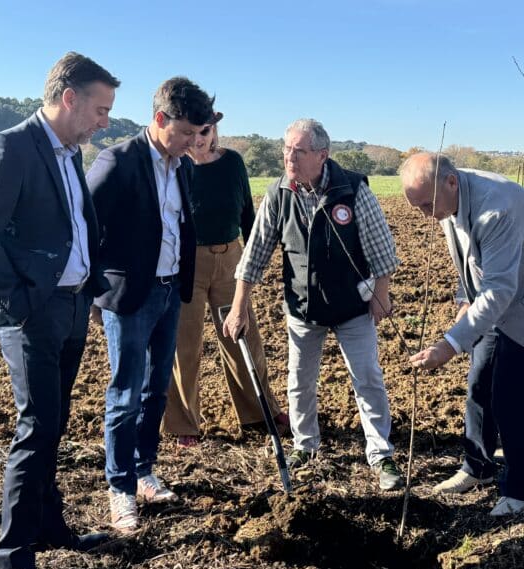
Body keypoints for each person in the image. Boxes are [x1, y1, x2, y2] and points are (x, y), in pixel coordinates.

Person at [0, 52, 119, 569]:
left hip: (72, 308)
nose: (105, 121)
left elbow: (75, 225)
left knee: (54, 424)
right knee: (36, 428)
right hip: (33, 315)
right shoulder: (10, 148)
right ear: (68, 99)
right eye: (100, 109)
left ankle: (50, 527)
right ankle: (13, 559)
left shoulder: (70, 154)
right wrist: (21, 302)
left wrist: (86, 289)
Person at [222, 118, 403, 491]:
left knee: (367, 378)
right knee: (299, 381)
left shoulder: (352, 190)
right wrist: (240, 304)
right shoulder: (278, 194)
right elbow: (255, 254)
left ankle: (381, 454)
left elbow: (381, 248)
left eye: (298, 151)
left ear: (322, 155)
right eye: (286, 149)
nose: (289, 157)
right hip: (303, 310)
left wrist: (381, 295)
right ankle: (306, 446)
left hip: (353, 306)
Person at [400, 152, 524, 516]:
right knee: (479, 382)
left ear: (451, 181)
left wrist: (449, 344)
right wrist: (463, 299)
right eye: (417, 206)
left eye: (426, 205)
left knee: (508, 395)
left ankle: (519, 494)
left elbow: (500, 290)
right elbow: (467, 258)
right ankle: (478, 467)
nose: (425, 214)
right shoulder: (446, 197)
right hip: (496, 301)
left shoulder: (496, 208)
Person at [86, 77, 216, 534]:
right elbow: (85, 229)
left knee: (156, 390)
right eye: (184, 132)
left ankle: (144, 471)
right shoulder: (117, 162)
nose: (191, 143)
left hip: (167, 294)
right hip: (129, 298)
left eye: (197, 135)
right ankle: (120, 489)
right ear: (159, 119)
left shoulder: (180, 166)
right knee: (124, 394)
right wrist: (95, 293)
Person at [162, 119, 289, 446]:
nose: (200, 139)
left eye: (206, 131)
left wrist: (255, 255)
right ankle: (182, 424)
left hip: (232, 257)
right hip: (186, 261)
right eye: (194, 132)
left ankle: (259, 413)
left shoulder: (232, 162)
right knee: (184, 344)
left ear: (214, 131)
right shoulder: (174, 166)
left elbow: (246, 208)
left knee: (242, 334)